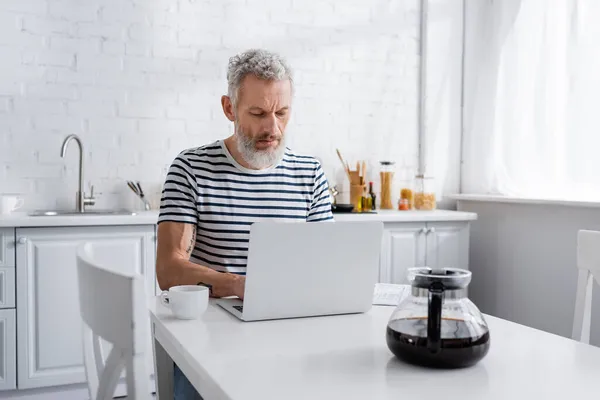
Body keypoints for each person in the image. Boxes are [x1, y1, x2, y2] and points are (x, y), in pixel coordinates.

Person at [155, 49, 334, 400]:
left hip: (289, 334)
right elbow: (169, 269)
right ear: (229, 108)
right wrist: (240, 285)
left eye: (282, 113)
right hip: (207, 340)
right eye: (258, 113)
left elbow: (326, 265)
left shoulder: (310, 173)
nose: (273, 128)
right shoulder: (190, 169)